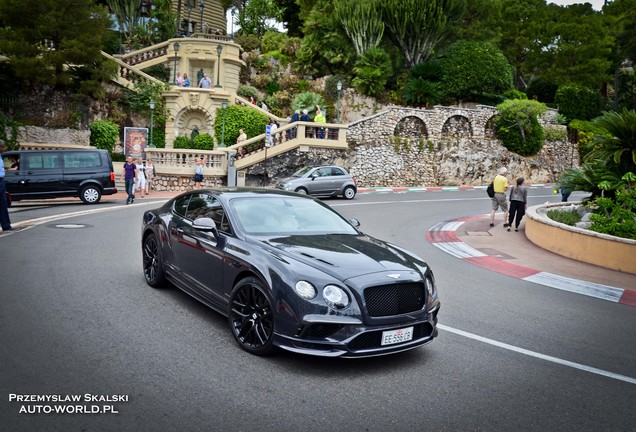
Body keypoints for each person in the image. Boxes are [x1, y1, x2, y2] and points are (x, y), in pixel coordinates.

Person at [0, 139, 15, 231]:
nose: (4, 148)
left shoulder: (0, 157)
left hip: (1, 181)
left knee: (3, 204)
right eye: (2, 146)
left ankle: (6, 226)